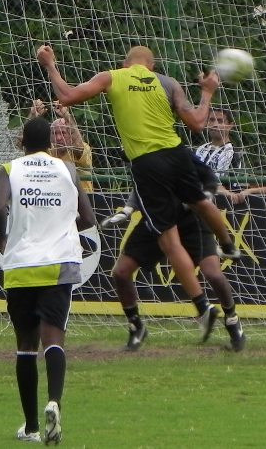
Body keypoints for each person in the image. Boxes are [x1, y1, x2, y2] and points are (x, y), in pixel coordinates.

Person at [37, 44, 240, 331]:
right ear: (152, 67)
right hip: (178, 153)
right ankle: (229, 245)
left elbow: (68, 96)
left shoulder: (113, 77)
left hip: (148, 163)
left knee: (169, 239)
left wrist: (50, 65)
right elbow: (196, 122)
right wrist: (207, 92)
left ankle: (201, 307)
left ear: (125, 63)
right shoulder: (168, 83)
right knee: (201, 202)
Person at [0, 117, 95, 444]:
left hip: (21, 264)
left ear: (22, 141)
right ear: (50, 142)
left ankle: (32, 427)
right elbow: (88, 217)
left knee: (25, 346)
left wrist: (3, 237)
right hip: (59, 262)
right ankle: (54, 402)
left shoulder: (9, 169)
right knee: (54, 338)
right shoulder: (67, 170)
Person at [112, 180, 245, 353]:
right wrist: (127, 210)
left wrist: (201, 196)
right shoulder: (141, 162)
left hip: (191, 218)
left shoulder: (180, 157)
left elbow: (207, 179)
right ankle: (136, 326)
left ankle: (232, 321)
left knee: (213, 273)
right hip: (158, 218)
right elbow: (141, 185)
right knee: (121, 272)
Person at [101, 106, 241, 226]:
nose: (215, 124)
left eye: (220, 121)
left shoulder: (233, 153)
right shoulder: (201, 149)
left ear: (231, 125)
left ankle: (129, 210)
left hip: (214, 201)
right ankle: (127, 210)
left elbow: (228, 186)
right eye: (211, 120)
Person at [29, 98, 94, 192]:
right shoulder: (47, 151)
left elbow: (77, 144)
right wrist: (32, 117)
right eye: (54, 133)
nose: (59, 138)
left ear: (71, 134)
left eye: (63, 133)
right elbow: (21, 143)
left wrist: (66, 115)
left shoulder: (80, 148)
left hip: (82, 199)